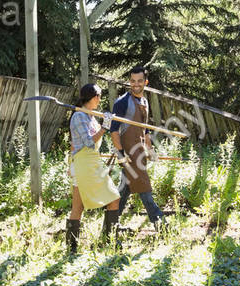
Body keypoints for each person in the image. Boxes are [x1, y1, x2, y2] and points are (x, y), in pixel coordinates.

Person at [66, 83, 121, 254]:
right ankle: (73, 248)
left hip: (92, 162)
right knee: (111, 199)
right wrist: (105, 127)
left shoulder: (90, 116)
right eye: (99, 96)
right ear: (94, 97)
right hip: (84, 164)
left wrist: (103, 124)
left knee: (82, 206)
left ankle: (108, 242)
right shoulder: (78, 117)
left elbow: (93, 144)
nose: (100, 100)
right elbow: (89, 143)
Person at [109, 65, 166, 229]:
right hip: (129, 155)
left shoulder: (145, 101)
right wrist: (121, 155)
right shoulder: (122, 103)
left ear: (145, 82)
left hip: (140, 153)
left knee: (125, 189)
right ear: (129, 82)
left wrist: (150, 150)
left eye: (139, 81)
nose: (136, 84)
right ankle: (160, 224)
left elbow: (145, 130)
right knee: (144, 187)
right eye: (133, 81)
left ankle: (111, 225)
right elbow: (114, 131)